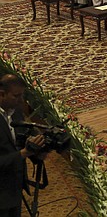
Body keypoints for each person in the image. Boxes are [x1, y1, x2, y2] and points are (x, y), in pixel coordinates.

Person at [0, 75, 47, 217]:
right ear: (1, 94)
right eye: (16, 96)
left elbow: (20, 142)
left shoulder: (16, 113)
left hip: (14, 187)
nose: (21, 100)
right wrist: (24, 153)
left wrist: (38, 152)